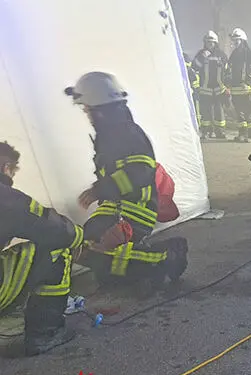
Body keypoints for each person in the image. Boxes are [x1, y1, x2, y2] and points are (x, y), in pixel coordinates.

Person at [64, 72, 189, 287]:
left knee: (91, 248)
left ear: (100, 110)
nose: (86, 114)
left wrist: (98, 190)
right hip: (115, 207)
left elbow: (140, 172)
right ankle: (132, 267)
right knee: (91, 254)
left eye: (87, 109)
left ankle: (167, 255)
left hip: (135, 209)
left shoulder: (126, 133)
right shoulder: (111, 133)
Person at [0, 143, 84, 356]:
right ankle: (45, 334)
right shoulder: (5, 197)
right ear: (6, 167)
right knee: (56, 248)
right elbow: (51, 226)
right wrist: (80, 237)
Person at [193, 30, 229, 140]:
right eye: (208, 42)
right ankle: (206, 131)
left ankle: (220, 132)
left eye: (211, 42)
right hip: (205, 89)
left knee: (219, 111)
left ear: (215, 43)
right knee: (206, 112)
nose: (210, 44)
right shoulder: (201, 54)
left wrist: (227, 86)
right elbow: (194, 67)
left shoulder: (221, 55)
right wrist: (201, 58)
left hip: (219, 88)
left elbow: (228, 71)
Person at [227, 28, 251, 142]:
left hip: (247, 89)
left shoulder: (250, 54)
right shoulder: (234, 54)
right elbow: (229, 70)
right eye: (234, 40)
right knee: (240, 114)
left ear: (243, 40)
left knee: (249, 113)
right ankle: (242, 134)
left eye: (237, 40)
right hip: (236, 89)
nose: (235, 43)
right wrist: (228, 82)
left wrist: (248, 82)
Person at [183, 52, 201, 127]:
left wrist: (192, 88)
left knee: (196, 109)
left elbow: (194, 81)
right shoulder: (190, 70)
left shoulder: (189, 71)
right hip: (193, 91)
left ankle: (198, 124)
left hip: (195, 92)